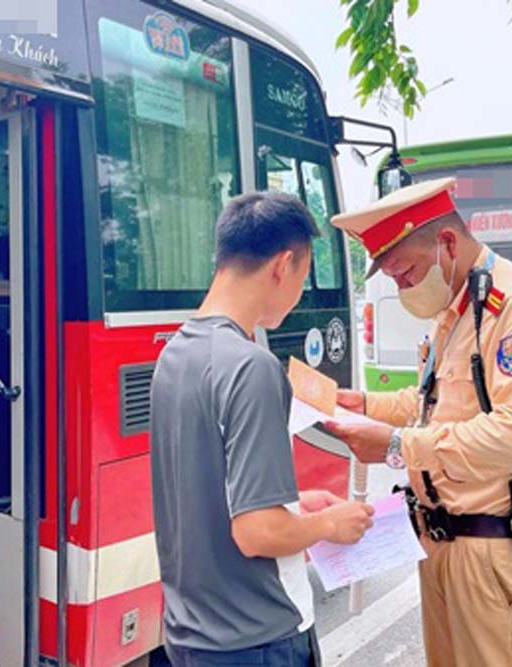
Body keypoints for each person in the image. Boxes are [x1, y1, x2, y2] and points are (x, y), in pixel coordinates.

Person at [326, 178, 512, 667]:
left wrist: (399, 445)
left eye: (408, 274)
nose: (404, 289)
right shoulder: (461, 308)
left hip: (495, 551)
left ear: (447, 243)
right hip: (444, 544)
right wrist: (364, 405)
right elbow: (435, 402)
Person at [150, 191, 375, 666]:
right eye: (303, 276)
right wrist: (330, 523)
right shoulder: (252, 367)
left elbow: (210, 495)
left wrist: (297, 507)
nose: (298, 295)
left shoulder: (173, 354)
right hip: (257, 640)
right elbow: (257, 532)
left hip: (190, 636)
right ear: (282, 265)